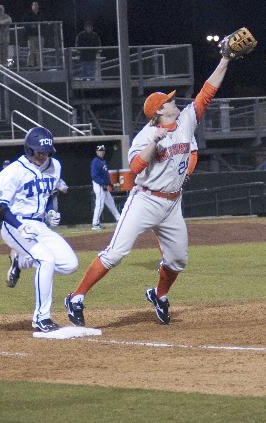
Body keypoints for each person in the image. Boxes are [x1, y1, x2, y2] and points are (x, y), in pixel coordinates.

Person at [64, 55, 234, 328]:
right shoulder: (145, 136)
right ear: (158, 111)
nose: (173, 101)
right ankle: (76, 297)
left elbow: (208, 91)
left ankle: (159, 294)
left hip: (172, 204)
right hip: (146, 200)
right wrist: (152, 145)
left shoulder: (186, 121)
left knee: (178, 260)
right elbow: (134, 167)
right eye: (168, 100)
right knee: (115, 253)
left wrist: (225, 58)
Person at [0, 127, 78, 332]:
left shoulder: (54, 165)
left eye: (46, 152)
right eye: (39, 152)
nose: (43, 156)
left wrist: (48, 213)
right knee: (46, 260)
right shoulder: (13, 172)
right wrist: (20, 227)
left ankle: (19, 261)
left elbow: (47, 195)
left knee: (69, 264)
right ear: (29, 150)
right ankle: (41, 318)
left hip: (39, 224)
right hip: (14, 224)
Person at [90, 145, 121, 230]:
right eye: (100, 150)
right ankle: (95, 224)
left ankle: (119, 219)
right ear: (97, 152)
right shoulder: (95, 161)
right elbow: (94, 176)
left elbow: (106, 175)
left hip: (104, 185)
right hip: (98, 185)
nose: (102, 152)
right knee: (99, 205)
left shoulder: (102, 161)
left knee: (111, 203)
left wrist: (110, 184)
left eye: (103, 150)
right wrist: (104, 184)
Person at [24, 1, 45, 68]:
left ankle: (40, 65)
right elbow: (26, 24)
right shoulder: (28, 15)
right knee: (31, 50)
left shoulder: (41, 14)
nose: (36, 7)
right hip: (31, 36)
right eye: (34, 5)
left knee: (39, 51)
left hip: (40, 35)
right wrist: (32, 26)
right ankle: (30, 64)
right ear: (32, 6)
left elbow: (43, 23)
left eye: (37, 5)